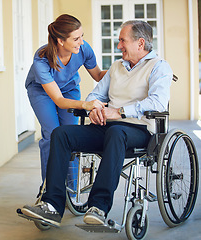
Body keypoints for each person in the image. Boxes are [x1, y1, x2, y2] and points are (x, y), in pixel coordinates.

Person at [20, 20, 173, 227]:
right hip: (106, 127)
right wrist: (94, 109)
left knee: (117, 132)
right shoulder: (117, 67)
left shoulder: (159, 67)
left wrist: (118, 111)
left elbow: (157, 102)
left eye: (122, 41)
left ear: (140, 43)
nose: (119, 46)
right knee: (60, 134)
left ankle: (98, 206)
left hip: (138, 129)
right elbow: (97, 93)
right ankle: (52, 205)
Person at [25, 14, 106, 182]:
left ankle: (70, 187)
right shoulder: (42, 59)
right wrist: (85, 104)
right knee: (53, 134)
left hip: (69, 89)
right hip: (42, 92)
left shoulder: (83, 49)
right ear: (61, 41)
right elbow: (59, 101)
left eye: (82, 36)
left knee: (70, 135)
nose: (81, 42)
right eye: (76, 38)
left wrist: (123, 70)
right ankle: (50, 188)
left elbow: (98, 75)